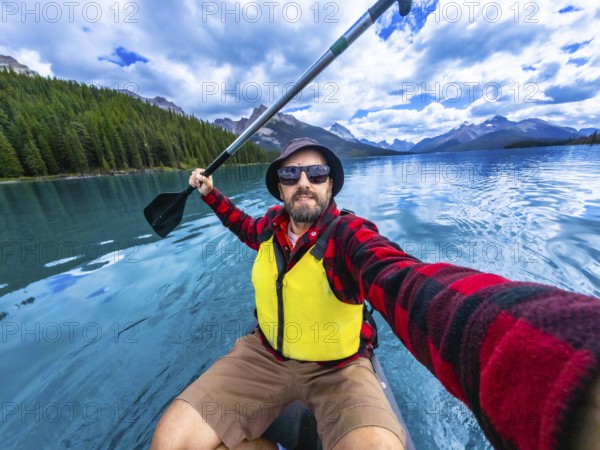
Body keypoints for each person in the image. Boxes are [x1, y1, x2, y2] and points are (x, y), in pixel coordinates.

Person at [151, 137, 600, 450]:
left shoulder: (349, 236)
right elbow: (239, 224)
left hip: (338, 369)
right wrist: (211, 195)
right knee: (169, 442)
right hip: (264, 354)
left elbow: (403, 280)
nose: (303, 180)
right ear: (281, 186)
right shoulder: (269, 226)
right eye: (291, 173)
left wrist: (556, 355)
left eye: (316, 172)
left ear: (330, 184)